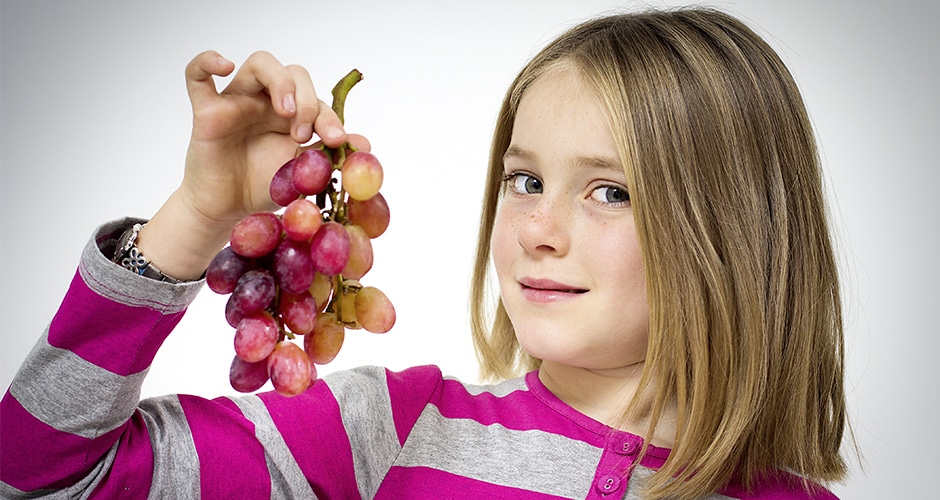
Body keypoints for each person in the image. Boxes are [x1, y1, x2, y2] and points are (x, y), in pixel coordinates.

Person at [0, 7, 850, 499]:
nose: (537, 229)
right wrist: (197, 214)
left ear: (734, 232)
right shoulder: (390, 431)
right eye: (523, 181)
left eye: (610, 191)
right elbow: (42, 479)